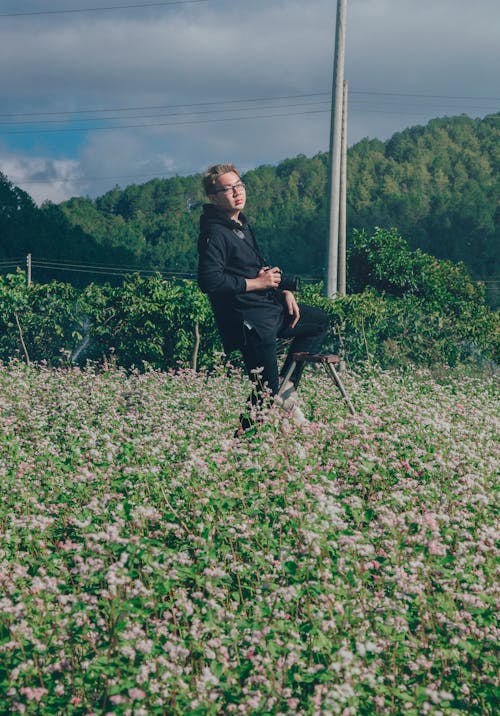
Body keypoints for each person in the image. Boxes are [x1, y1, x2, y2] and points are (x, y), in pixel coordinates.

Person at [197, 162, 329, 431]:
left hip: (269, 309)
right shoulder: (214, 232)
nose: (237, 192)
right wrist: (256, 283)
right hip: (248, 322)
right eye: (229, 188)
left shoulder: (240, 225)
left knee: (320, 320)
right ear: (213, 197)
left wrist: (283, 291)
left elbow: (257, 266)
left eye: (240, 185)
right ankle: (241, 442)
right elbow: (209, 280)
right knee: (264, 392)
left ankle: (288, 385)